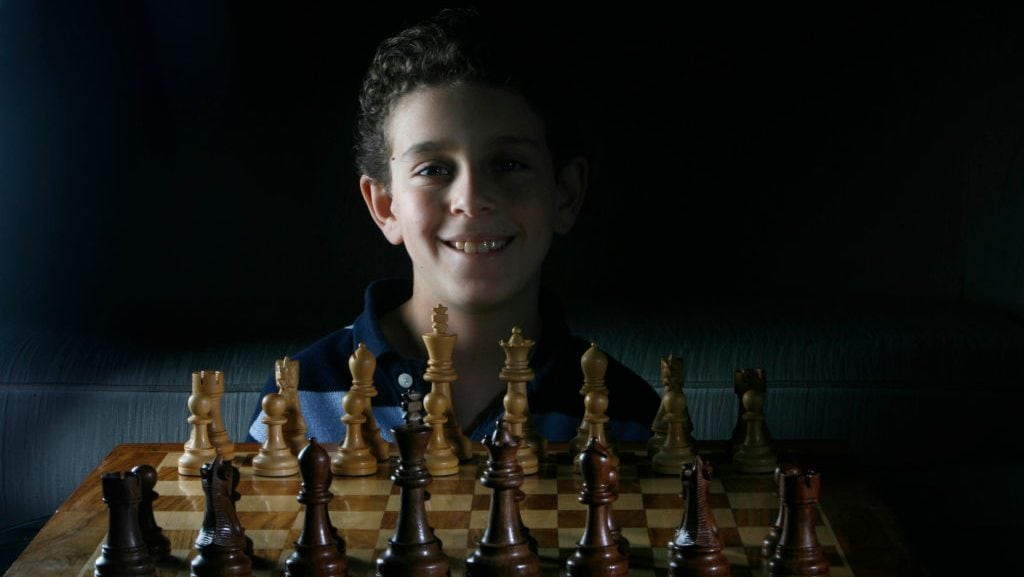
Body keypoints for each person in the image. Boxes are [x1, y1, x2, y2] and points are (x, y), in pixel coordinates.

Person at [247, 7, 660, 445]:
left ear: (565, 193)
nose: (471, 199)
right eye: (432, 169)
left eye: (508, 163)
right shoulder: (299, 397)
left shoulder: (627, 412)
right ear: (385, 205)